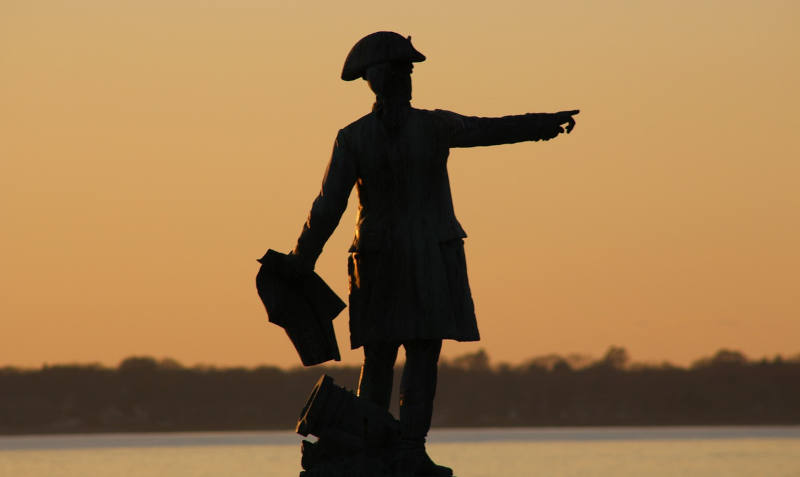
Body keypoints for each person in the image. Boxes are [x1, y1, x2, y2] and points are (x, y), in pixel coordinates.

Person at [288, 31, 578, 477]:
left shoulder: (407, 130)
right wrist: (300, 260)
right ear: (380, 79)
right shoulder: (372, 136)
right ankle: (390, 445)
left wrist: (542, 124)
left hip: (397, 258)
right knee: (390, 355)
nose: (408, 77)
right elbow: (327, 208)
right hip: (401, 260)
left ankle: (405, 447)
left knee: (409, 354)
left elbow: (491, 129)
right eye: (402, 70)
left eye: (409, 70)